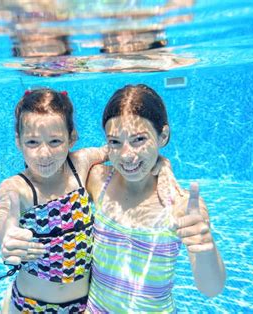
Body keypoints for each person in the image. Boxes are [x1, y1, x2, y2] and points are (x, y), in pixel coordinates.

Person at [86, 84, 226, 313]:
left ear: (163, 136)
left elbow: (211, 289)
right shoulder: (99, 180)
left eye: (139, 139)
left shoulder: (180, 205)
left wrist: (204, 245)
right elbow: (62, 163)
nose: (126, 155)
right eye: (115, 142)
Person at [0, 88, 108, 313]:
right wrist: (6, 234)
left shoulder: (80, 164)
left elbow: (120, 151)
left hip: (83, 305)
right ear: (18, 141)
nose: (44, 154)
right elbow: (5, 209)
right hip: (30, 307)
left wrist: (162, 166)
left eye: (55, 141)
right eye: (32, 142)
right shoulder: (17, 186)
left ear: (72, 138)